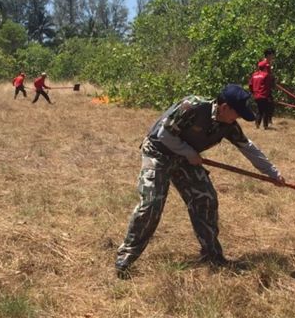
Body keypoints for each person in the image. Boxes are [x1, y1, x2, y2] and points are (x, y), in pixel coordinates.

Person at [115, 84, 285, 277]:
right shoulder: (192, 107)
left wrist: (272, 173)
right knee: (152, 203)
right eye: (237, 113)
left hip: (185, 159)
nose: (237, 118)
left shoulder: (228, 125)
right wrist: (189, 153)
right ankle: (125, 258)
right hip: (158, 153)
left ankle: (212, 255)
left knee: (205, 198)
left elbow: (248, 148)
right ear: (224, 107)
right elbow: (164, 134)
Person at [249, 60, 275, 129]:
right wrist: (269, 95)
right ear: (264, 67)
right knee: (266, 110)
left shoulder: (254, 75)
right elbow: (268, 86)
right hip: (264, 95)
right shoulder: (266, 75)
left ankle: (257, 123)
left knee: (259, 110)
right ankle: (265, 126)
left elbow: (250, 84)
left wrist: (253, 92)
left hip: (256, 95)